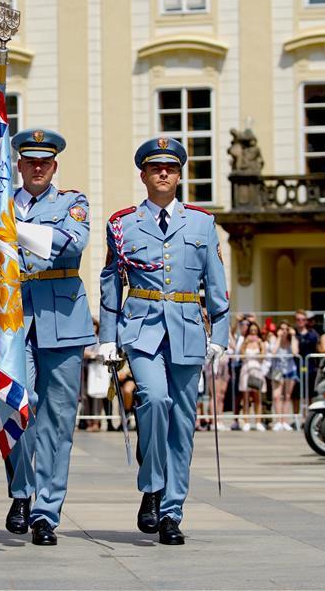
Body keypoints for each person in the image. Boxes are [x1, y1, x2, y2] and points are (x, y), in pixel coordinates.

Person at [98, 137, 229, 546]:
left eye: (170, 168)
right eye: (155, 168)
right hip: (142, 328)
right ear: (144, 175)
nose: (163, 174)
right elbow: (110, 280)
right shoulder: (122, 224)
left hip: (188, 328)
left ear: (179, 175)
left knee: (183, 424)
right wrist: (107, 334)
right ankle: (152, 484)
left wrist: (220, 334)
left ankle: (171, 510)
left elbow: (216, 282)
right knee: (153, 400)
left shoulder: (202, 223)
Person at [0, 128, 96, 547]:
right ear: (19, 165)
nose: (37, 167)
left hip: (61, 315)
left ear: (54, 166)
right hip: (12, 318)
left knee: (57, 422)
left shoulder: (72, 202)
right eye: (30, 161)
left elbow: (74, 243)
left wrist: (15, 231)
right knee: (13, 407)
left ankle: (46, 511)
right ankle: (22, 491)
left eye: (45, 162)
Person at [269, 322, 299, 430]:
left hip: (290, 370)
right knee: (277, 396)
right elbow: (273, 351)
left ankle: (285, 421)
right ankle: (278, 421)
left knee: (287, 396)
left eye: (286, 329)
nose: (284, 331)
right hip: (278, 370)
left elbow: (295, 352)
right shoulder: (274, 339)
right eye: (282, 329)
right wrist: (279, 337)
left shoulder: (292, 340)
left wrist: (294, 336)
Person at [239, 322, 267, 431]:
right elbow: (241, 356)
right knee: (245, 397)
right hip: (246, 368)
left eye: (255, 331)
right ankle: (246, 421)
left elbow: (263, 356)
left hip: (257, 369)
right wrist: (245, 343)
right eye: (251, 331)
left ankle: (258, 421)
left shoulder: (261, 342)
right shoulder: (245, 342)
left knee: (257, 397)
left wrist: (260, 344)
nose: (253, 333)